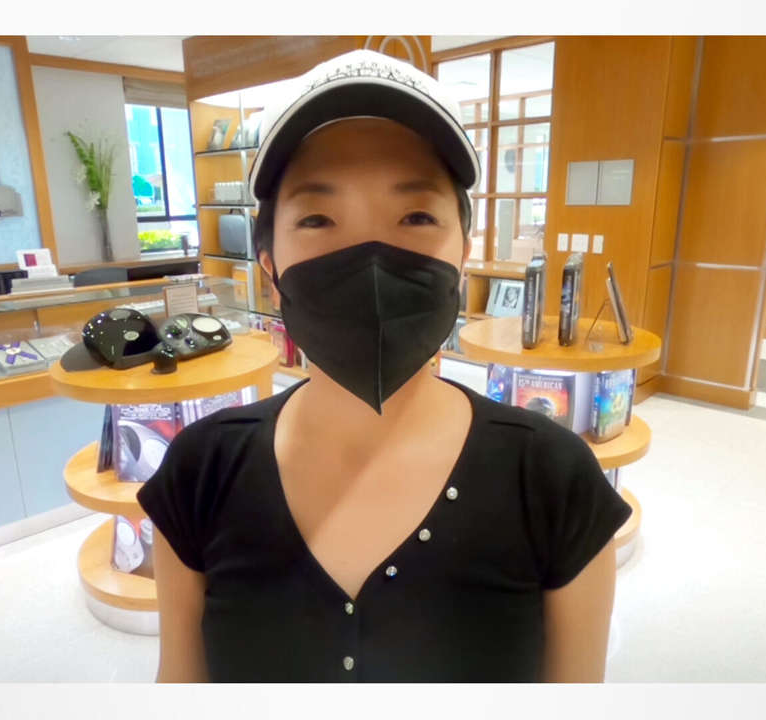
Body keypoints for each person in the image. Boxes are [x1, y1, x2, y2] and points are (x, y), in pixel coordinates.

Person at [138, 49, 632, 683]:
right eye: (318, 218)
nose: (370, 257)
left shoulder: (553, 480)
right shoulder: (200, 473)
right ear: (269, 263)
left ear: (463, 253)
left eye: (416, 216)